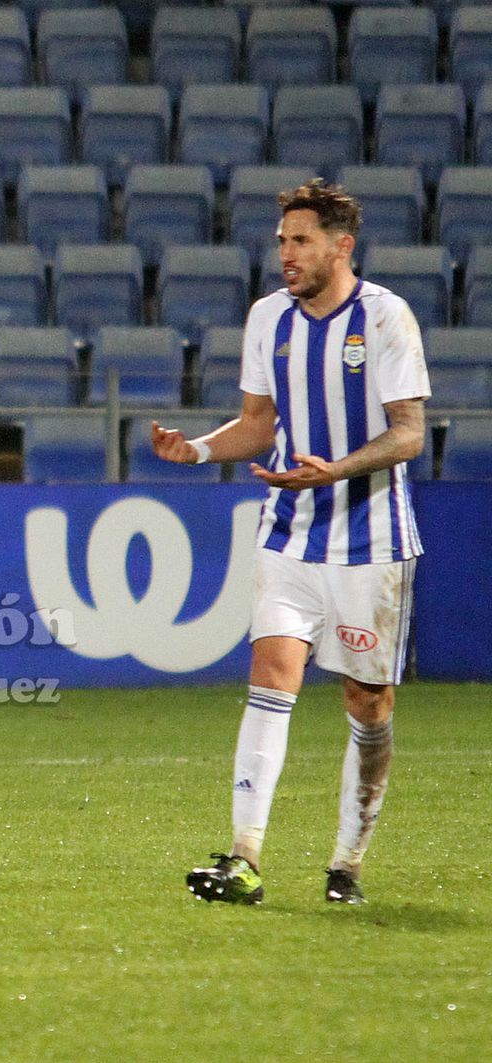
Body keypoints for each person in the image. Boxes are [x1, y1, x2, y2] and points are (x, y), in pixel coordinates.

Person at [153, 179, 429, 906]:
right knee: (272, 673)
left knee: (369, 703)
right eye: (281, 241)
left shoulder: (386, 317)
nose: (285, 254)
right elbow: (258, 422)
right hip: (290, 531)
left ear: (343, 247)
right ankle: (243, 854)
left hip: (371, 539)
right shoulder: (268, 318)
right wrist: (201, 449)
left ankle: (347, 861)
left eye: (300, 240)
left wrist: (336, 468)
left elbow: (410, 431)